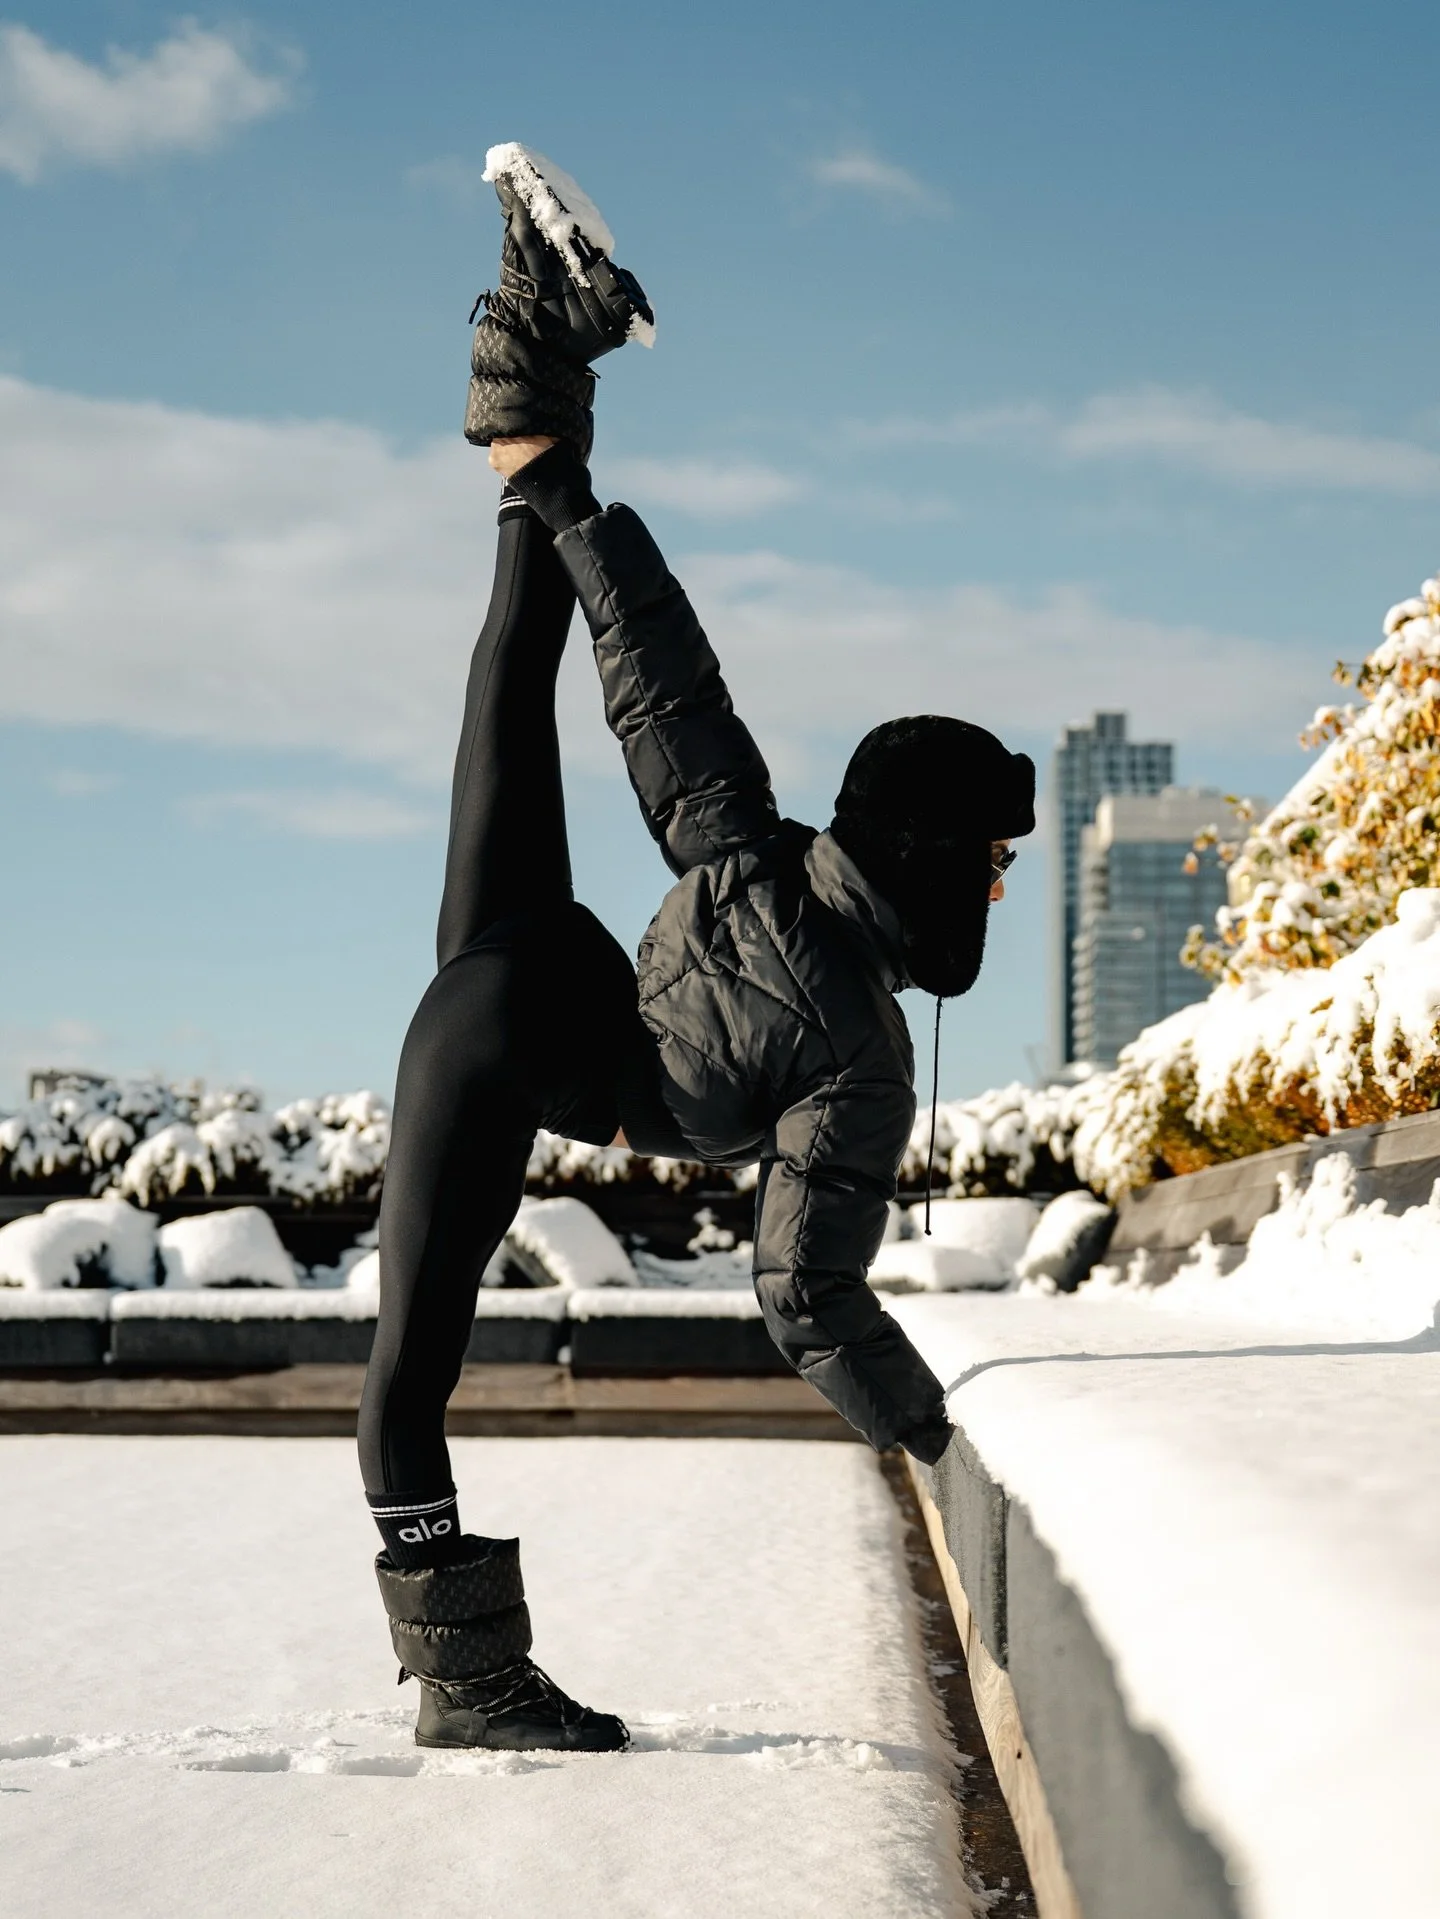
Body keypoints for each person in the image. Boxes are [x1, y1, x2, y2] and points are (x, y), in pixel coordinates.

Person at [357, 145, 1036, 1754]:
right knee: (406, 1371)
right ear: (933, 860)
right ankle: (466, 1679)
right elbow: (801, 1293)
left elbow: (660, 677)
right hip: (518, 1028)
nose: (1001, 892)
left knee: (518, 677)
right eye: (994, 862)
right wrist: (935, 1434)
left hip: (540, 965)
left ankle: (541, 345)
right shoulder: (859, 1057)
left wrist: (592, 511)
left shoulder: (756, 846)